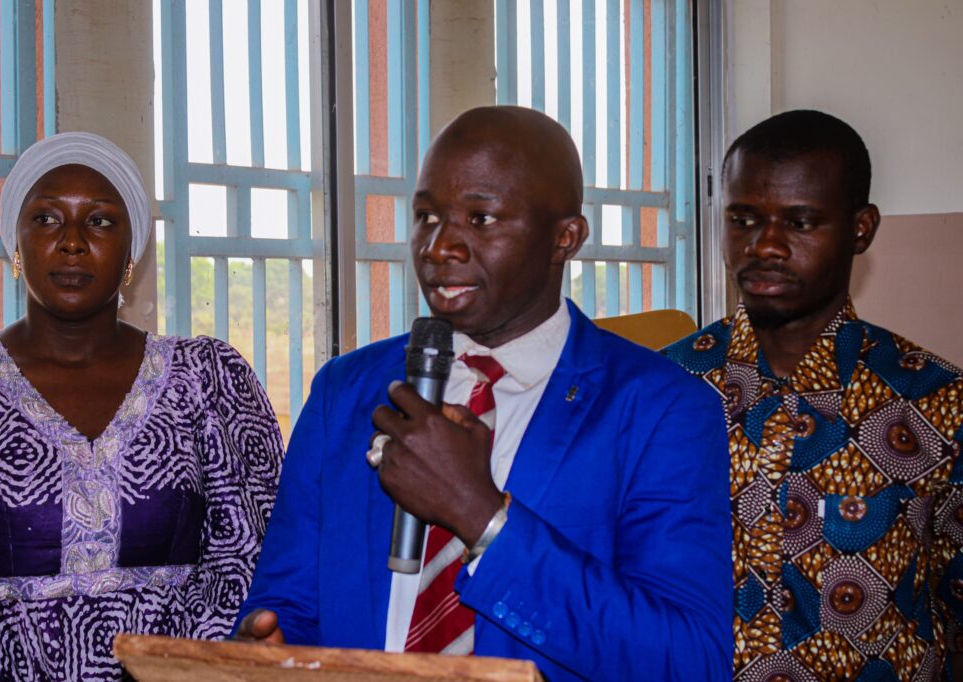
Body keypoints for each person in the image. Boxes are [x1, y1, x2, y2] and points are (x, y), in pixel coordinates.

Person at [234, 106, 732, 680]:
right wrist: (267, 649)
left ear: (565, 238)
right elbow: (287, 606)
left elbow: (689, 660)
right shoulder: (343, 393)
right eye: (426, 216)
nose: (438, 247)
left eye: (480, 218)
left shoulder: (663, 409)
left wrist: (480, 515)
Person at [0, 132, 284, 680]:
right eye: (46, 219)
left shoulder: (206, 379)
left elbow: (251, 554)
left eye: (99, 221)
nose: (72, 242)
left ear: (131, 253)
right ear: (14, 243)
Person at [663, 110, 963, 680]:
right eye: (743, 219)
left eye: (800, 222)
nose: (766, 245)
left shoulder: (937, 401)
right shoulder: (664, 388)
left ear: (861, 229)